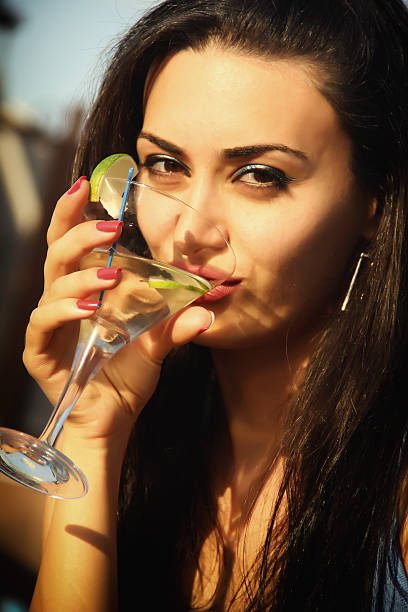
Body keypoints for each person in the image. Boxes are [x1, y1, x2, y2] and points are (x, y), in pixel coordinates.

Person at [26, 0, 408, 609]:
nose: (188, 233)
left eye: (260, 175)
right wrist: (91, 433)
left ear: (376, 203)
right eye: (166, 165)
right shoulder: (154, 444)